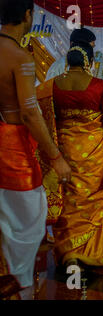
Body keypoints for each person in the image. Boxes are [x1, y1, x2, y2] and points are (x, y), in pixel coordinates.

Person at [0, 0, 71, 298]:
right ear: (28, 15)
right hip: (13, 147)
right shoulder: (20, 57)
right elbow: (30, 114)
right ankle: (20, 287)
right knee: (28, 217)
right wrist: (56, 157)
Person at [36, 42, 103, 269]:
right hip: (92, 152)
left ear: (67, 62)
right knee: (90, 198)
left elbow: (43, 115)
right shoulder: (98, 85)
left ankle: (69, 250)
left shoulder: (51, 86)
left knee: (69, 197)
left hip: (63, 150)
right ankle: (90, 250)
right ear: (88, 63)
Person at [45, 28, 103, 112]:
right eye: (86, 46)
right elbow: (48, 100)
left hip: (96, 122)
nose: (90, 50)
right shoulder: (58, 67)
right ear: (72, 45)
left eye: (92, 47)